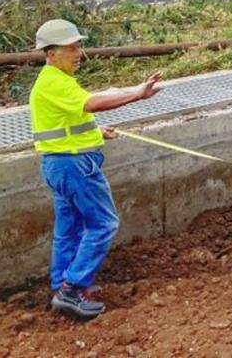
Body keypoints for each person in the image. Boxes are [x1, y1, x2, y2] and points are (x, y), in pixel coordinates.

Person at [29, 19, 162, 320]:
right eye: (72, 47)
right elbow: (91, 103)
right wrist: (137, 93)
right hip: (74, 166)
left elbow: (64, 121)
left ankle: (61, 285)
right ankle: (73, 288)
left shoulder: (55, 81)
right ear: (50, 52)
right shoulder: (54, 81)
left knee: (70, 227)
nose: (79, 52)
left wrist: (96, 133)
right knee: (103, 223)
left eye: (79, 45)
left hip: (60, 164)